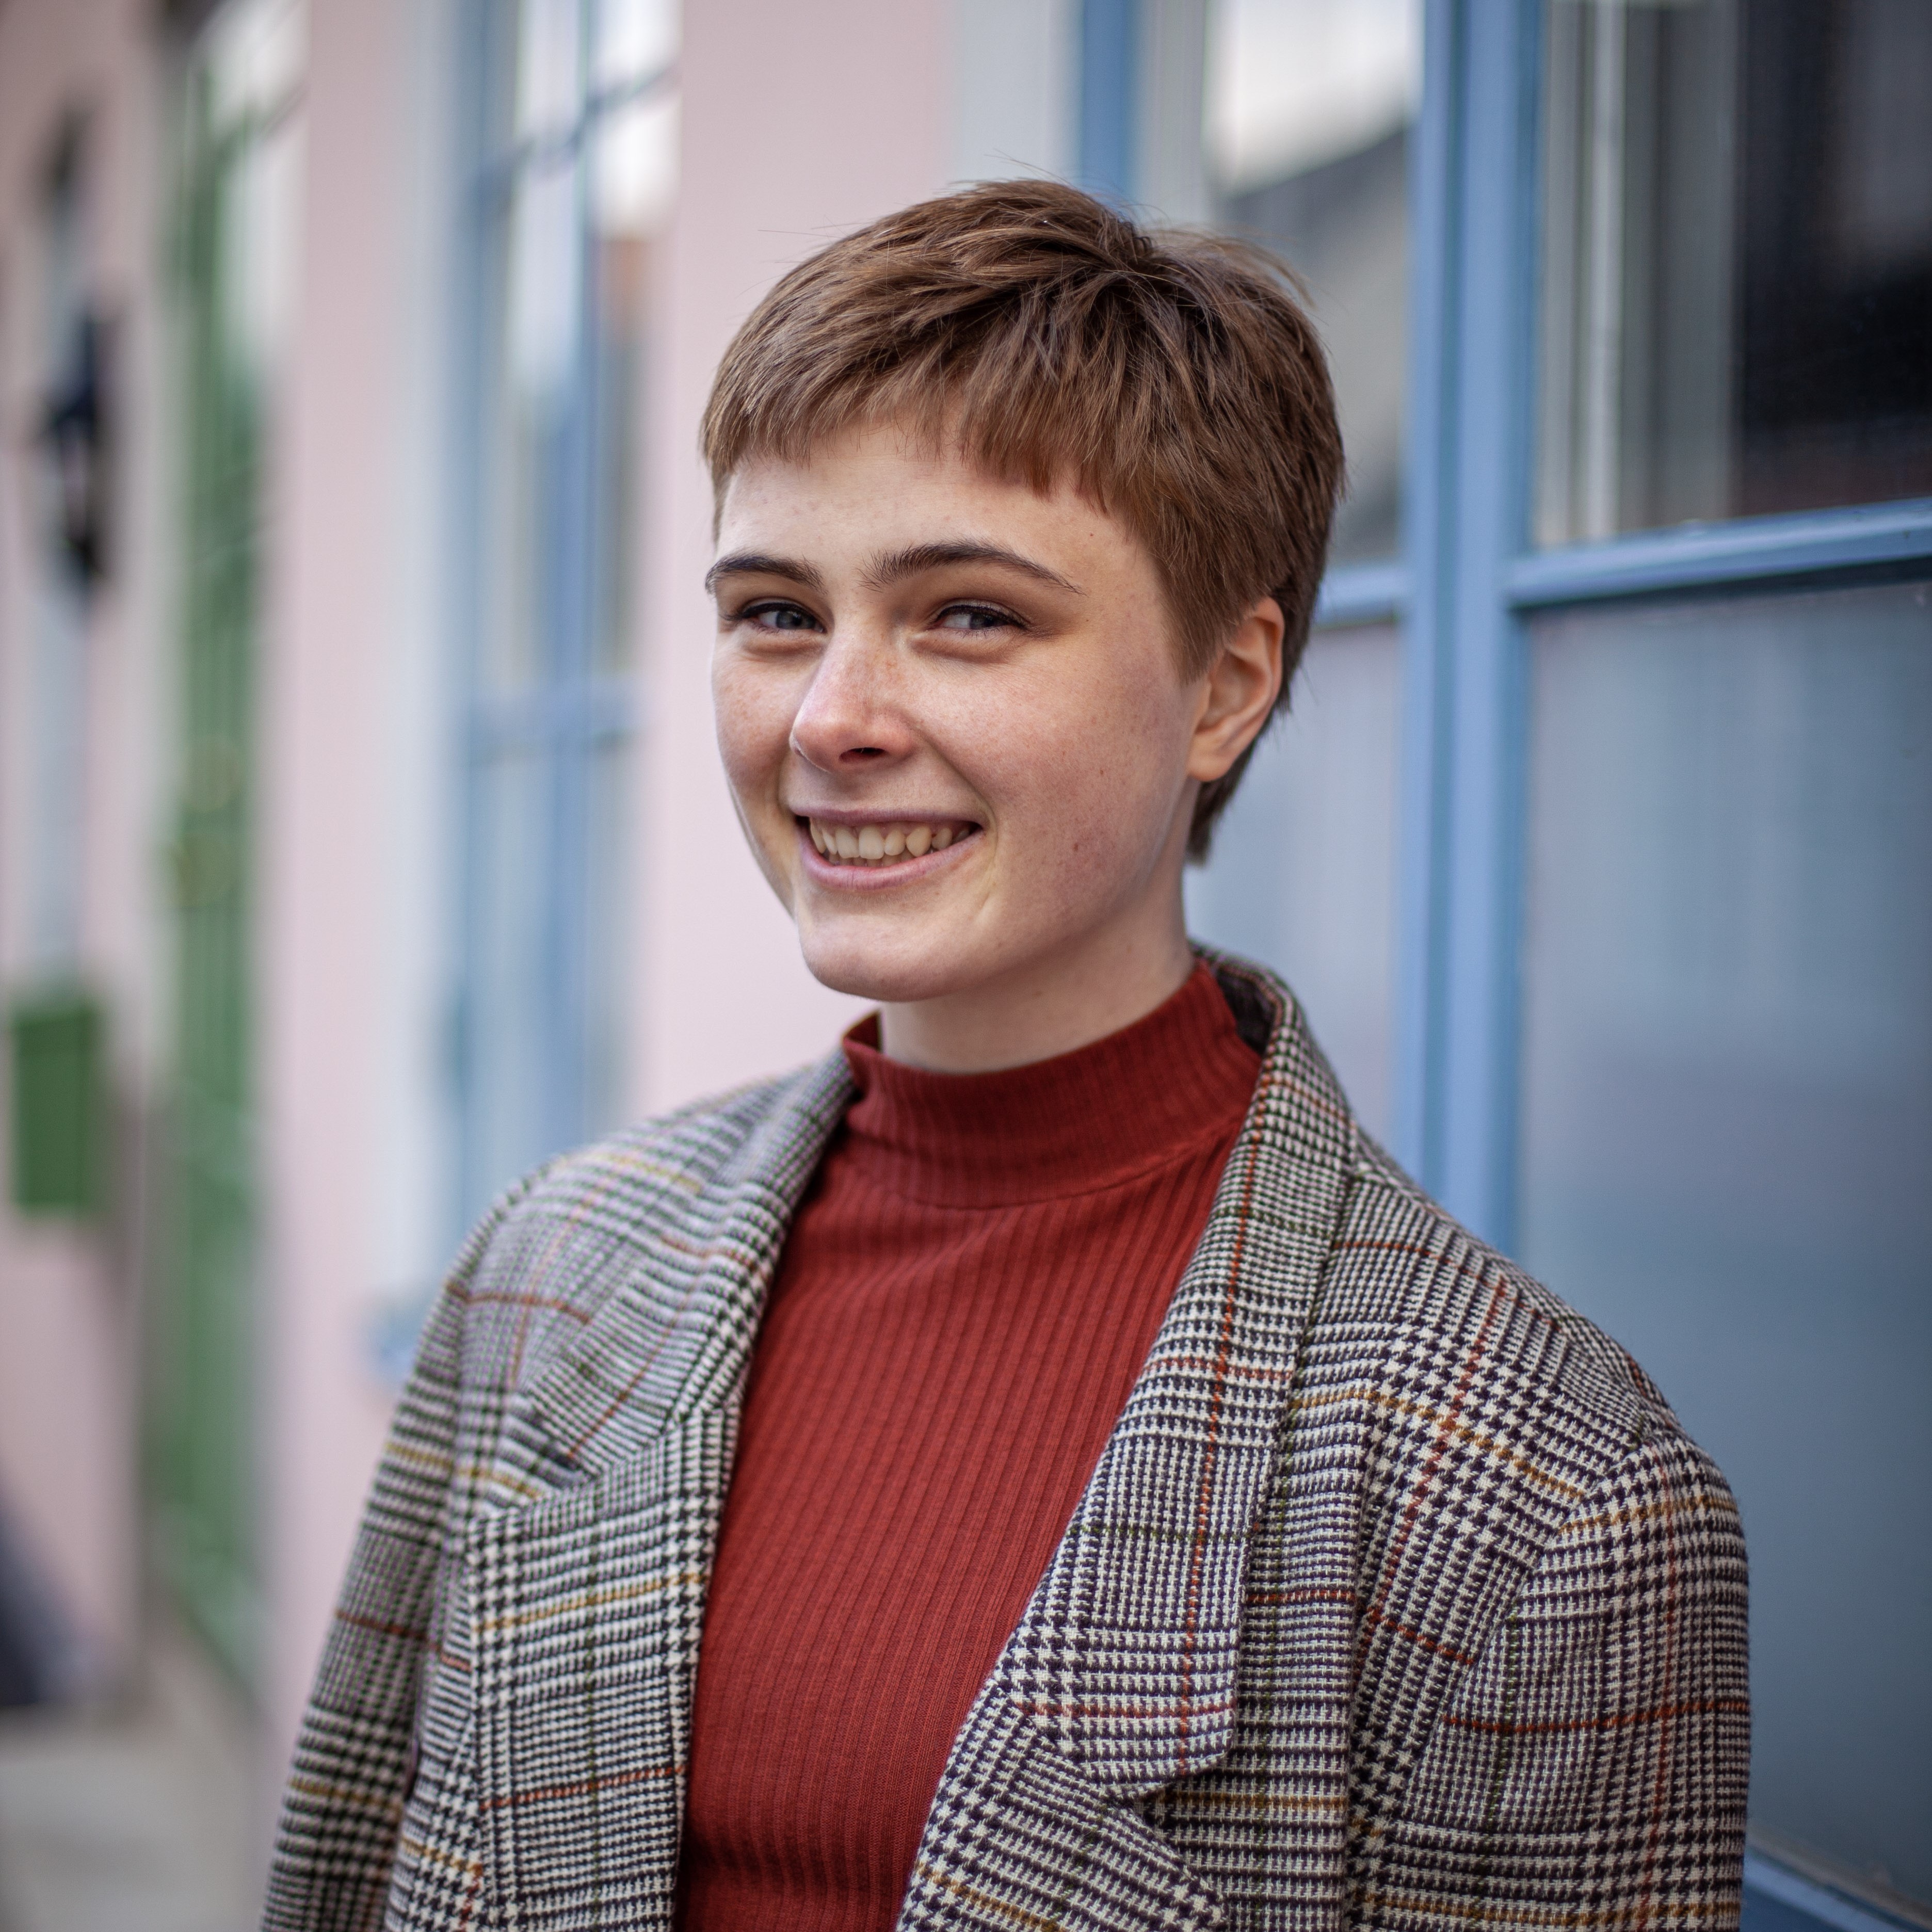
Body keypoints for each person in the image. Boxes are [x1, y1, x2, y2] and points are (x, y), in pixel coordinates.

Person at [262, 181, 1748, 1932]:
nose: (832, 719)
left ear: (1226, 684)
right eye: (774, 612)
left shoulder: (1550, 1508)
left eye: (968, 613)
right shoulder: (548, 1280)